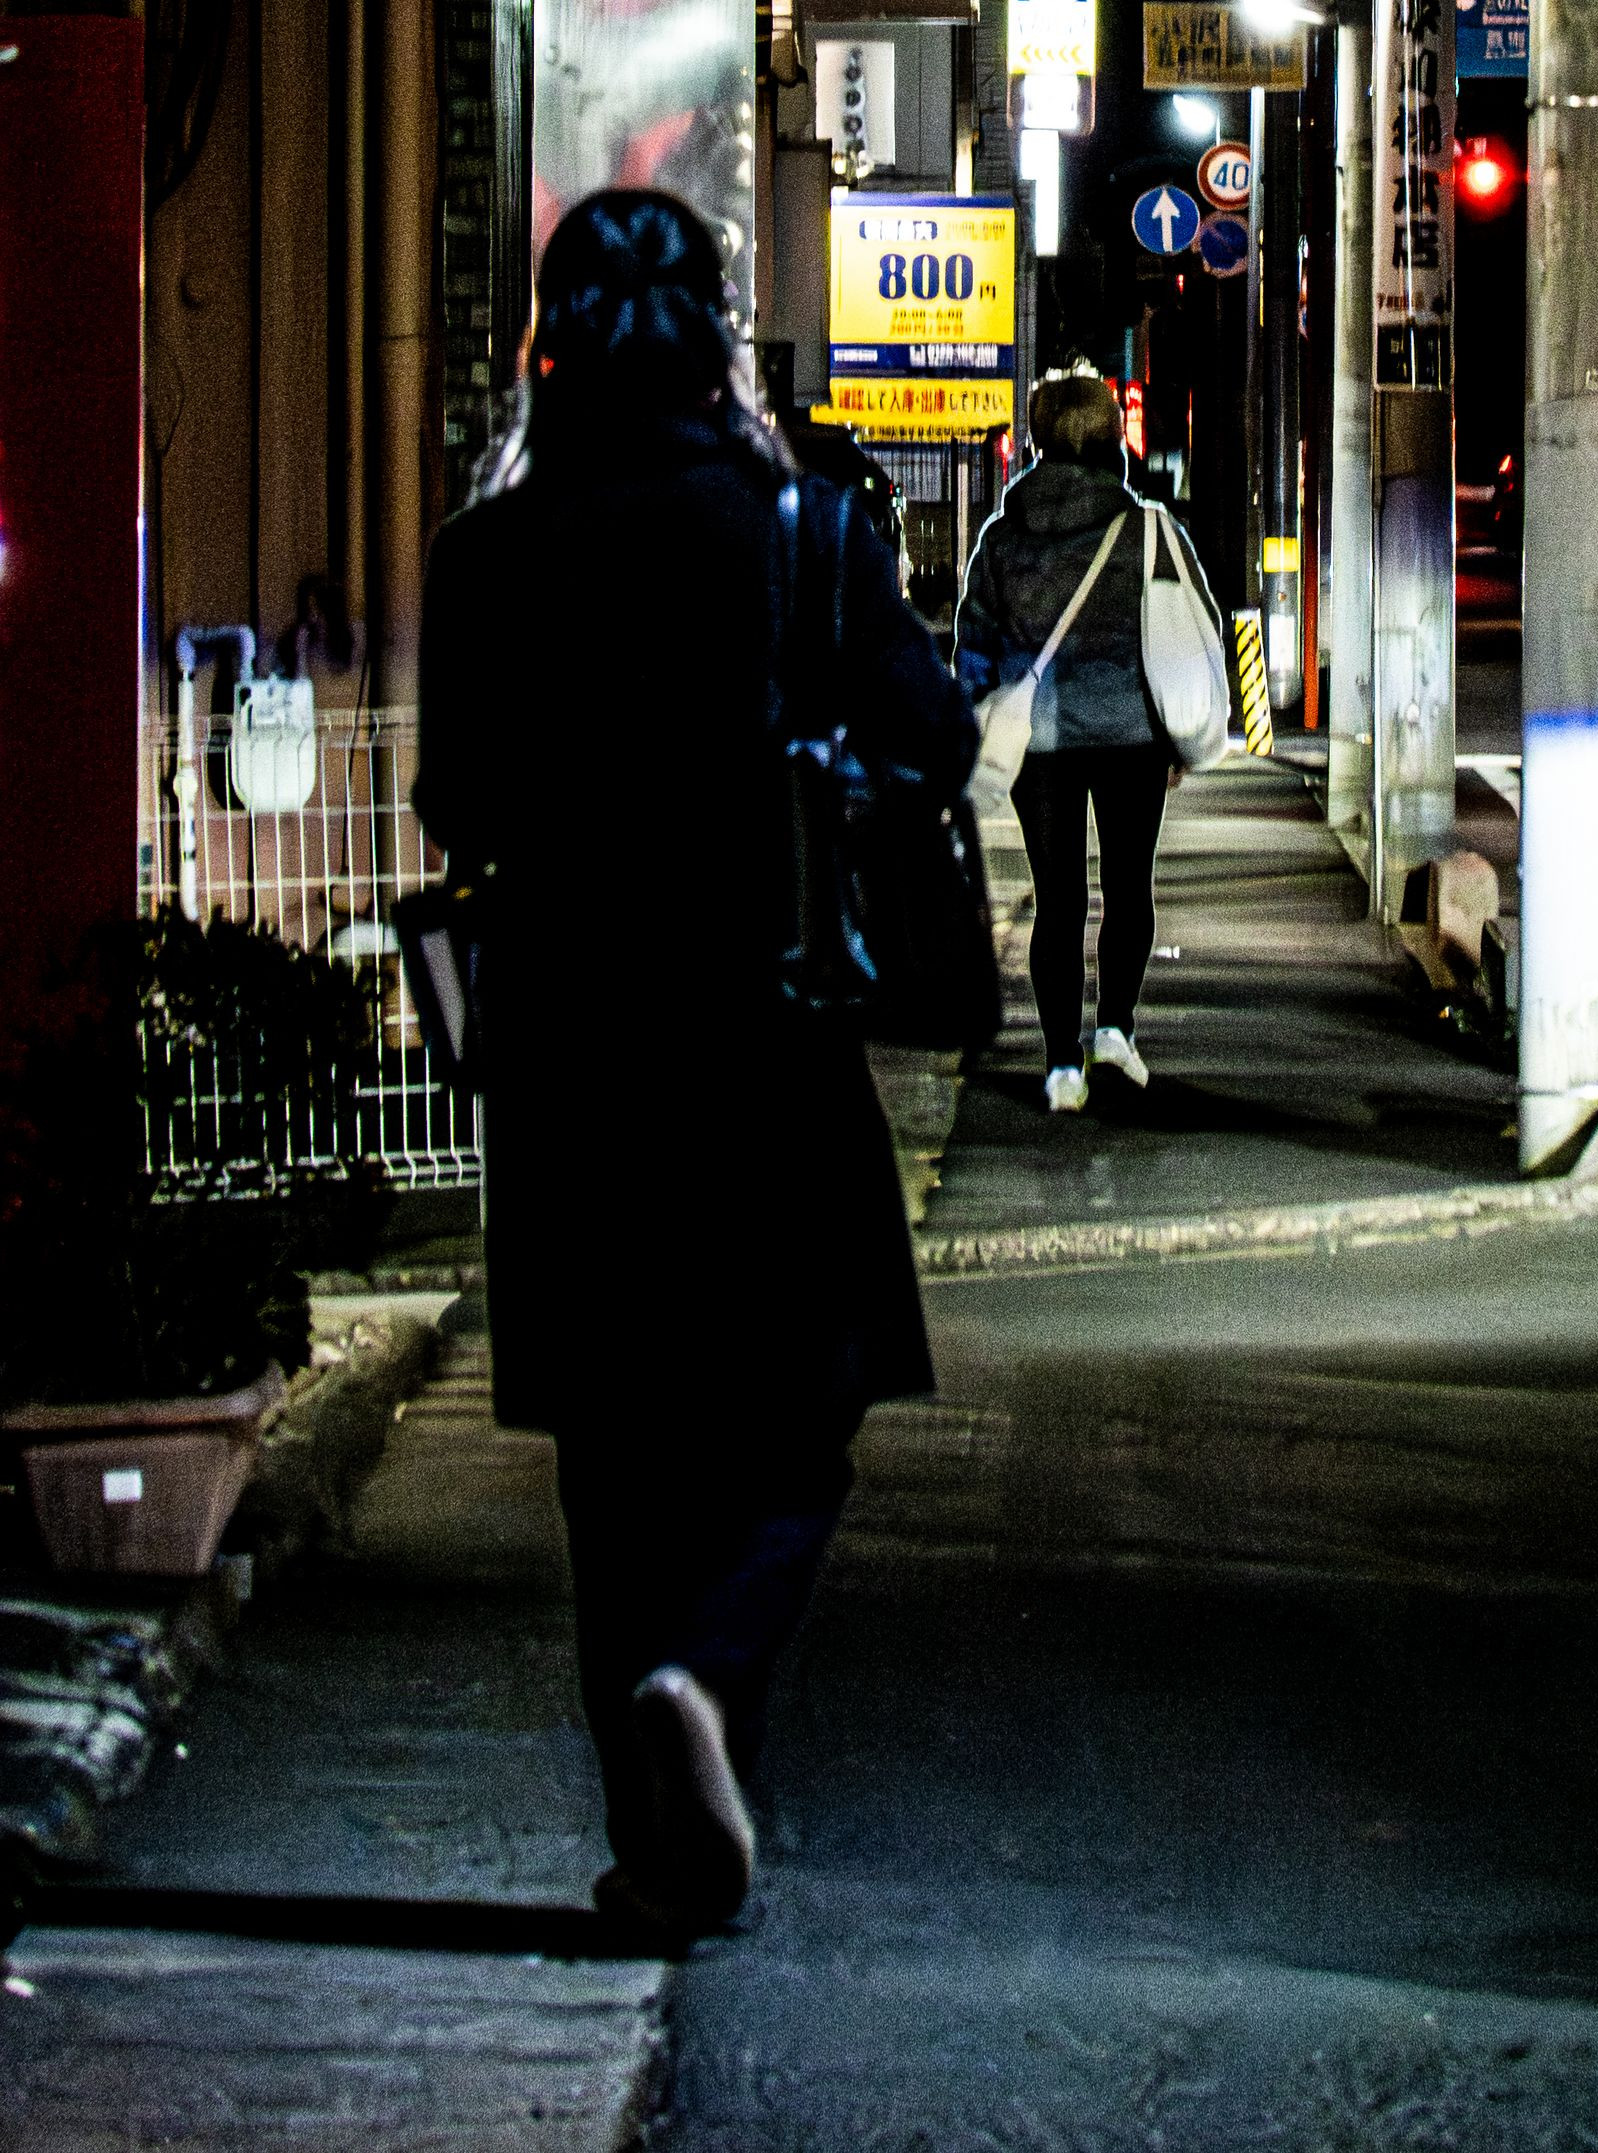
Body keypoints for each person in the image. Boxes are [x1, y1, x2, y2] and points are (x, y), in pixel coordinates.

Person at [415, 190, 975, 1940]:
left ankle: (654, 1841)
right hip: (768, 1035)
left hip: (575, 1057)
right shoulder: (802, 529)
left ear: (549, 345)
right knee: (796, 1425)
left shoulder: (489, 552)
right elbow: (933, 734)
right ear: (722, 342)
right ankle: (707, 1679)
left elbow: (456, 800)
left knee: (615, 1457)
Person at [953, 366, 1221, 1112]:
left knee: (1058, 899)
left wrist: (982, 715)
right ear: (1111, 440)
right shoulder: (1147, 529)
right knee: (1129, 888)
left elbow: (974, 644)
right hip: (1133, 735)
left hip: (1038, 743)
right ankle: (1114, 1030)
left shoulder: (1002, 538)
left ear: (1039, 439)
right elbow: (1193, 624)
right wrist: (1177, 736)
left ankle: (1060, 1065)